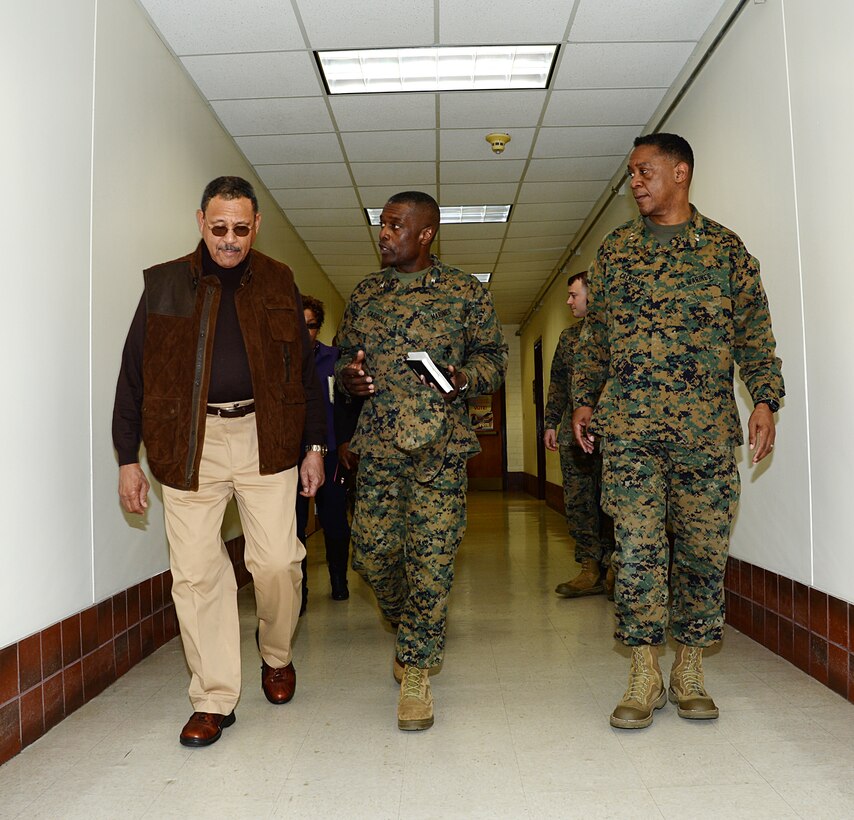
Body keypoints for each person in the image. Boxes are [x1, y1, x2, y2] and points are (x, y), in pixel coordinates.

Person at [572, 133, 784, 730]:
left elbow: (756, 337)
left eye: (644, 171)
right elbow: (598, 339)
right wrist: (583, 402)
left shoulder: (726, 252)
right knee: (638, 552)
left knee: (700, 555)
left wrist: (765, 402)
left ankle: (689, 667)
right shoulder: (616, 251)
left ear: (680, 172)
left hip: (706, 433)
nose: (634, 182)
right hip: (632, 432)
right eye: (631, 174)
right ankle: (643, 672)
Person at [112, 176, 326, 747]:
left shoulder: (279, 279)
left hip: (267, 437)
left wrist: (314, 446)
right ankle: (212, 696)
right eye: (218, 228)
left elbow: (304, 377)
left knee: (278, 561)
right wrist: (125, 457)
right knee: (198, 573)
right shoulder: (163, 284)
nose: (229, 240)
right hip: (190, 443)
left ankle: (276, 655)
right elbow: (133, 372)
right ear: (200, 222)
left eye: (240, 229)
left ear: (256, 225)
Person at [336, 191, 508, 731]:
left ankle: (415, 670)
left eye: (395, 225)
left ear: (426, 233)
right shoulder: (366, 294)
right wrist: (349, 378)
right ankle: (409, 618)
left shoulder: (463, 292)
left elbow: (493, 360)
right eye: (381, 224)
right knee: (371, 551)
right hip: (381, 446)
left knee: (432, 562)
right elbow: (345, 357)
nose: (383, 234)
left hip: (441, 447)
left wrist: (466, 378)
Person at [544, 271, 615, 599]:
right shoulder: (569, 339)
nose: (569, 301)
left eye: (575, 295)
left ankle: (617, 568)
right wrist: (550, 422)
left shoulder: (618, 335)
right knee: (578, 503)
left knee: (614, 503)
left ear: (593, 295)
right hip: (574, 437)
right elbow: (558, 383)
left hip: (613, 436)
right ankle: (590, 568)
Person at [295, 295, 352, 606]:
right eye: (298, 325)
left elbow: (348, 405)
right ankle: (299, 593)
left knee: (335, 523)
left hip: (329, 453)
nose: (304, 332)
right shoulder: (280, 360)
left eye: (311, 326)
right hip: (291, 457)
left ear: (318, 328)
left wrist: (345, 442)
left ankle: (339, 580)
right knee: (294, 526)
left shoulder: (335, 359)